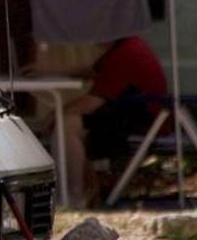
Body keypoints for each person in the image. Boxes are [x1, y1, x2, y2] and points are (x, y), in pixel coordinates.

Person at [63, 36, 167, 207]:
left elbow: (92, 102)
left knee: (69, 122)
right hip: (136, 117)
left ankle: (75, 194)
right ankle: (84, 193)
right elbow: (93, 70)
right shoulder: (125, 47)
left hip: (143, 124)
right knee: (70, 123)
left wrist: (54, 116)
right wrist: (51, 72)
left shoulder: (126, 53)